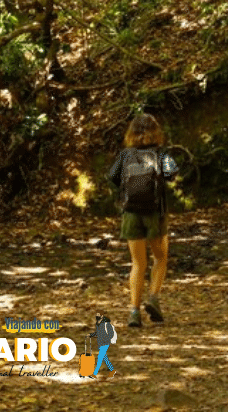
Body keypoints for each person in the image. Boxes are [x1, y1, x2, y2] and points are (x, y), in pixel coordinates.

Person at [107, 113, 178, 328]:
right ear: (156, 131)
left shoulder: (124, 155)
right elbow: (172, 173)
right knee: (160, 258)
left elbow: (112, 177)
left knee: (138, 263)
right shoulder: (161, 153)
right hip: (155, 214)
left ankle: (134, 312)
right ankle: (153, 297)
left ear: (132, 133)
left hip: (131, 213)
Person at [88, 313, 117, 378]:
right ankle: (112, 370)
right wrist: (91, 335)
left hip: (105, 343)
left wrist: (106, 339)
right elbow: (98, 333)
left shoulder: (107, 324)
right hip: (100, 343)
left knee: (100, 358)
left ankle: (95, 373)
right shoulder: (98, 324)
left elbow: (111, 333)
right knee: (104, 358)